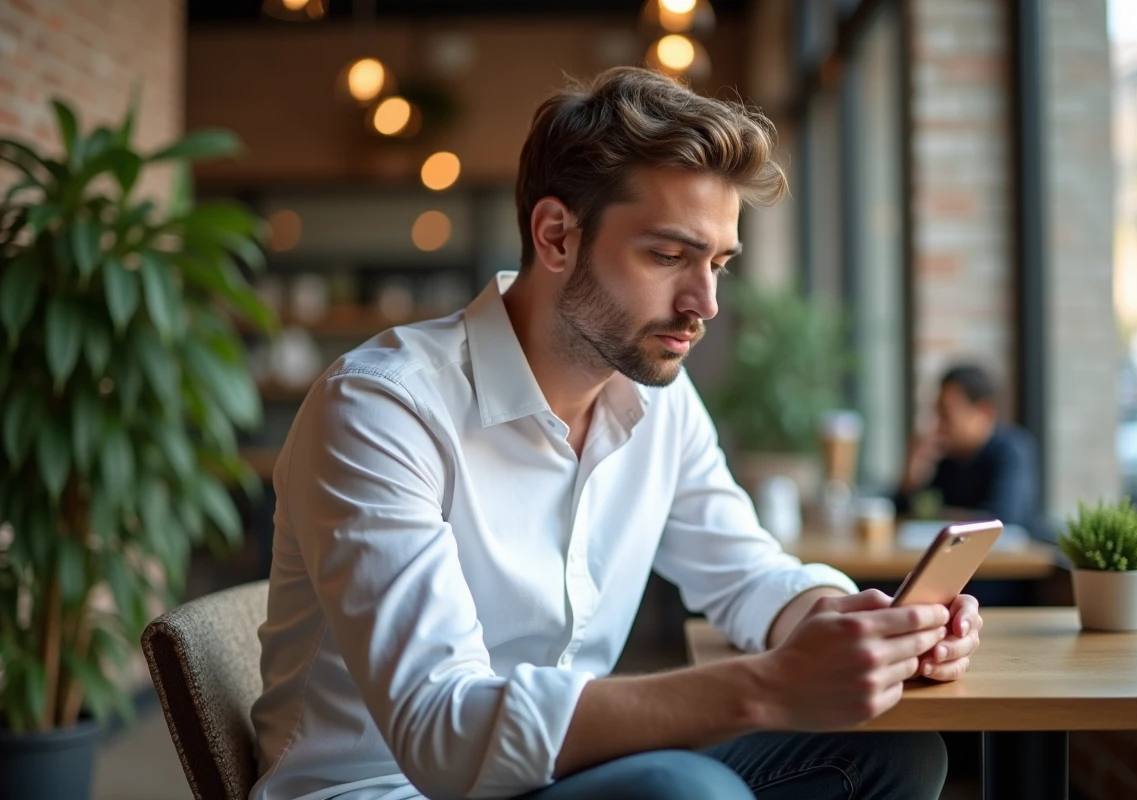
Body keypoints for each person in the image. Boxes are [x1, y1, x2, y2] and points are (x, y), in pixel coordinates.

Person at [250, 67, 981, 800]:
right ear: (557, 236)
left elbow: (749, 575)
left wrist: (862, 627)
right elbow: (445, 731)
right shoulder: (381, 408)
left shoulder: (657, 398)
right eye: (669, 256)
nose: (706, 304)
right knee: (684, 793)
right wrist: (766, 687)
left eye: (719, 264)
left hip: (553, 773)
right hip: (390, 788)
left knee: (896, 756)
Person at [895, 364, 1040, 532]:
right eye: (937, 412)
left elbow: (1004, 520)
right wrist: (910, 477)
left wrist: (939, 515)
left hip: (1009, 557)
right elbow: (905, 515)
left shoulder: (1012, 450)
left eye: (946, 414)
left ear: (984, 411)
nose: (938, 424)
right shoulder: (947, 458)